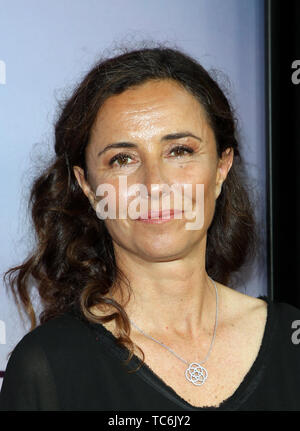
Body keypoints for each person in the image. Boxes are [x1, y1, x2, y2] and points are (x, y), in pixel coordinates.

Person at [0, 45, 300, 412]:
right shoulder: (47, 366)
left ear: (221, 168)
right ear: (89, 187)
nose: (155, 185)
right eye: (122, 159)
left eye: (180, 151)